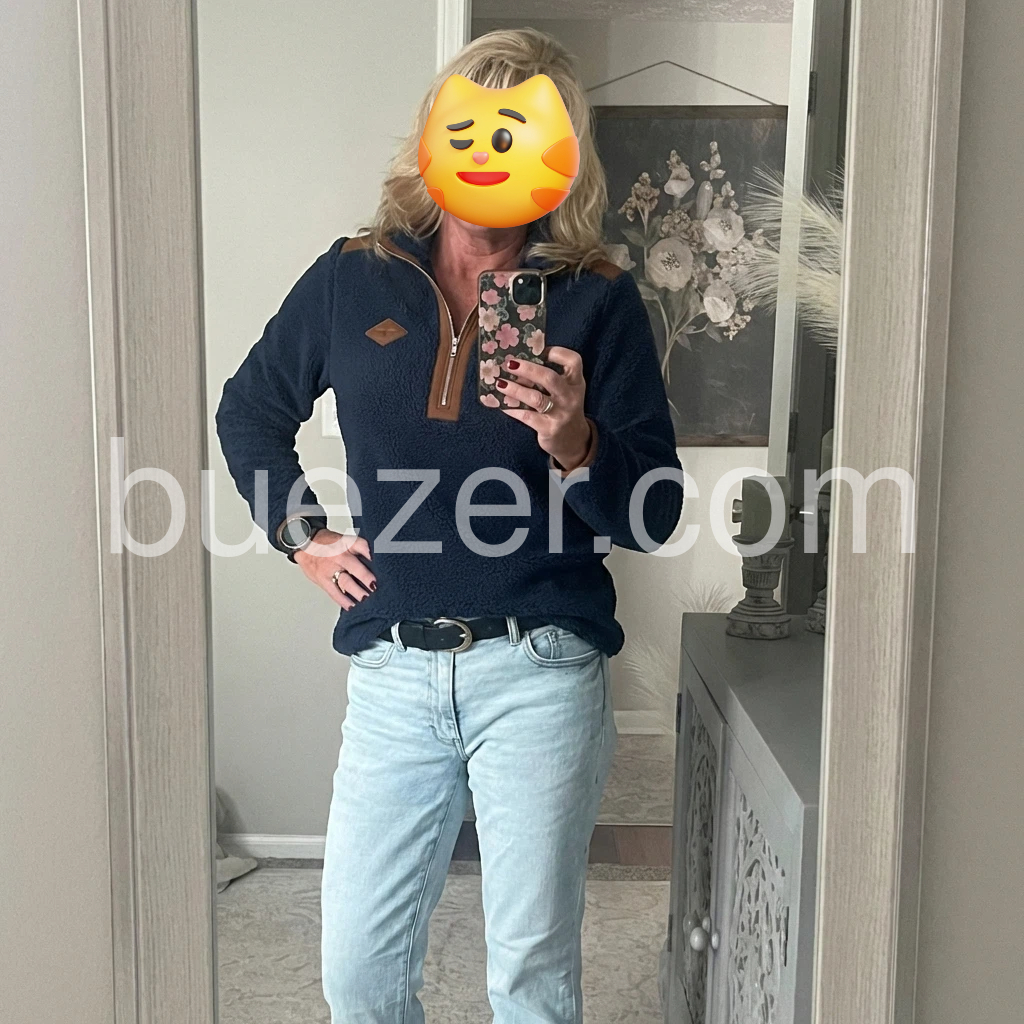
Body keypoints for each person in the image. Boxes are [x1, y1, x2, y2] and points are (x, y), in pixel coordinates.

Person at [216, 27, 683, 1024]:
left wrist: (575, 441)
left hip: (540, 666)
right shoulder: (351, 276)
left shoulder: (596, 299)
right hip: (393, 670)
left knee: (530, 982)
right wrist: (301, 534)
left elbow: (654, 511)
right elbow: (250, 408)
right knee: (359, 976)